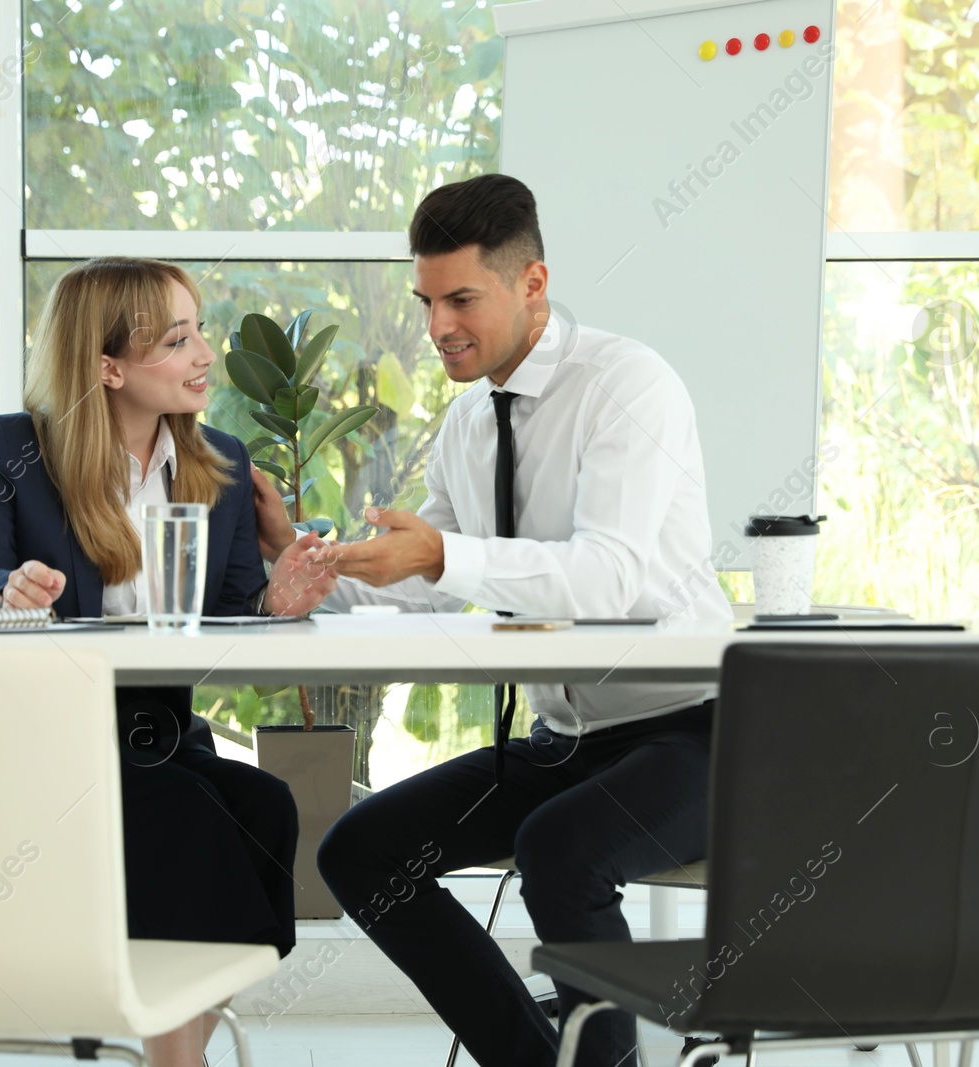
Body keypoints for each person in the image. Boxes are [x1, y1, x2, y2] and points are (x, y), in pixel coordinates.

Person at [250, 174, 734, 1067]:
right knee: (362, 849)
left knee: (559, 848)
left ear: (533, 283)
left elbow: (612, 574)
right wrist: (324, 576)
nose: (439, 326)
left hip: (697, 730)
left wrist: (439, 553)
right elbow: (438, 580)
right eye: (427, 301)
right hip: (566, 738)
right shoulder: (468, 423)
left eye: (462, 298)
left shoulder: (626, 385)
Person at [0, 257, 336, 1067]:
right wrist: (2, 588)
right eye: (177, 340)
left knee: (265, 808)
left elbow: (229, 611)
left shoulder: (217, 459)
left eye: (199, 332)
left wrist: (274, 604)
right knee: (182, 813)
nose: (204, 356)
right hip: (50, 737)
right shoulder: (16, 447)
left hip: (161, 728)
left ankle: (167, 1017)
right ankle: (176, 1057)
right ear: (108, 367)